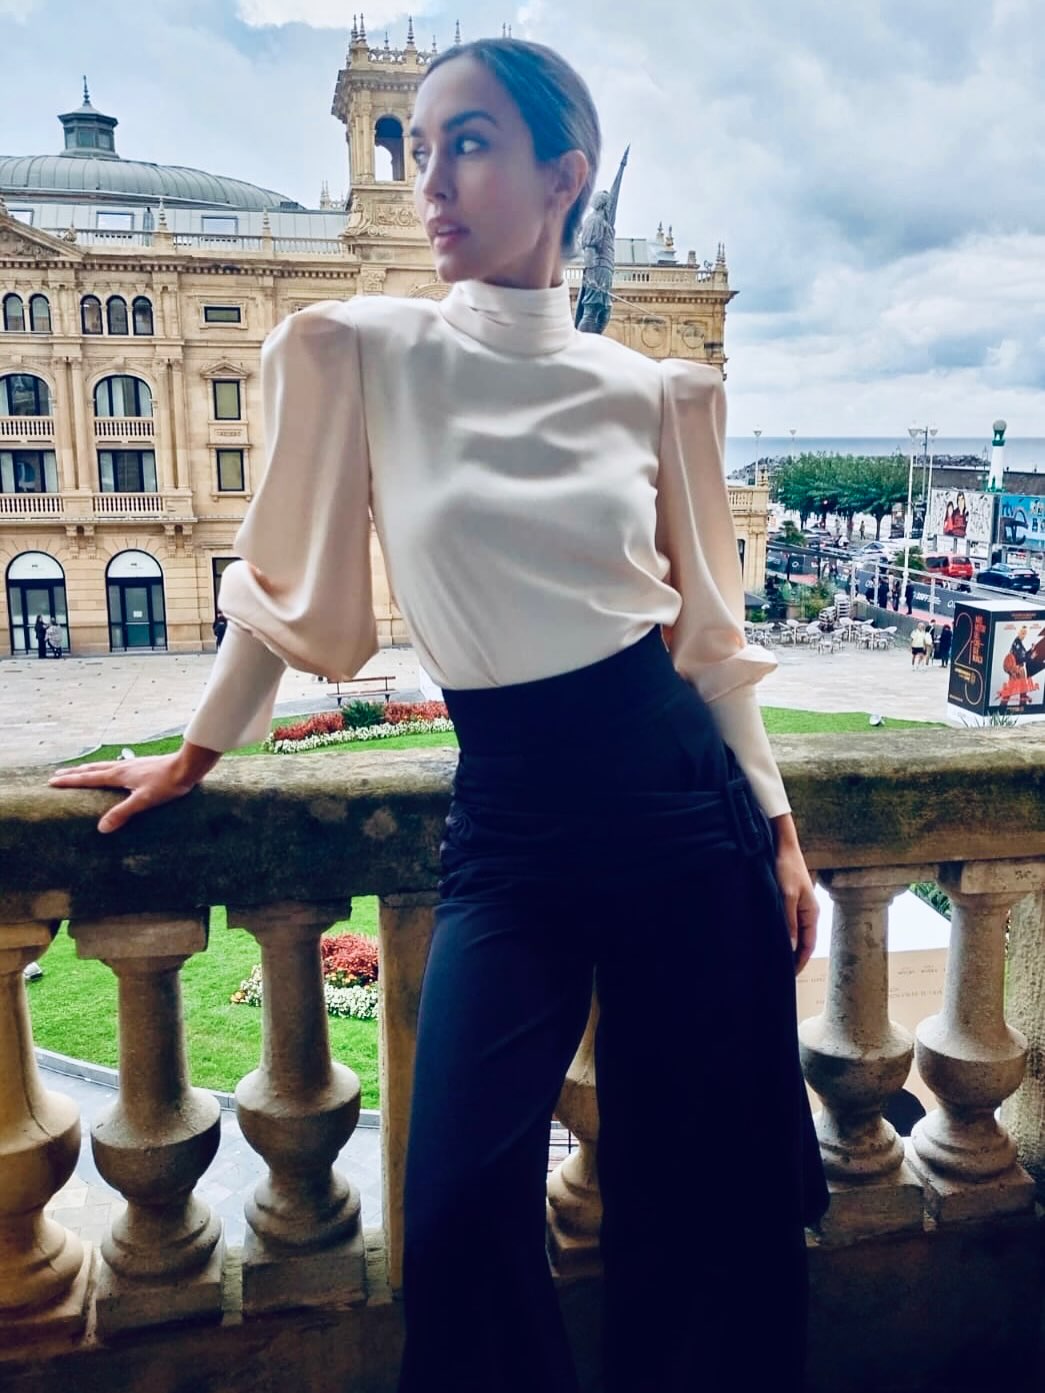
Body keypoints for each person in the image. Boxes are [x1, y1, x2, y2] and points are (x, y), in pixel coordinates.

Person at [49, 38, 827, 1393]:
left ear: (563, 177)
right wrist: (195, 750)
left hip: (678, 812)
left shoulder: (655, 392)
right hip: (510, 830)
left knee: (693, 1194)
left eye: (467, 143)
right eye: (418, 148)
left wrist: (777, 825)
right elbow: (277, 589)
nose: (431, 180)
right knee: (458, 1209)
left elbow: (705, 641)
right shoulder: (360, 348)